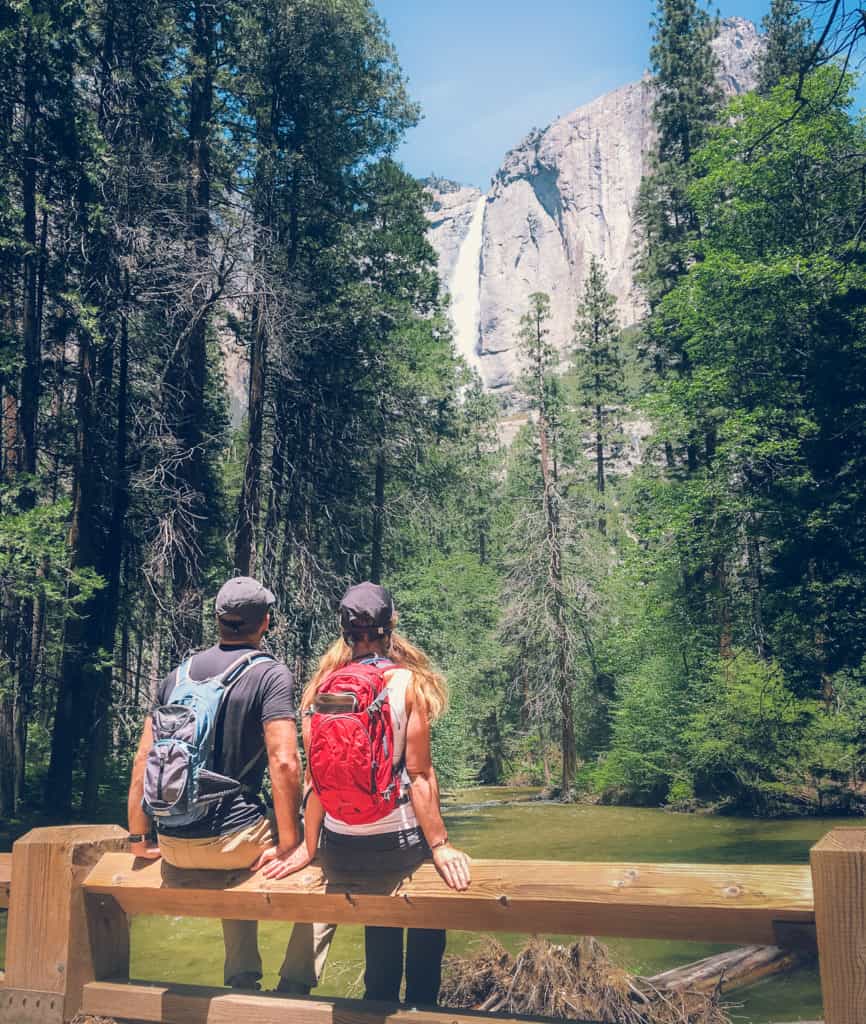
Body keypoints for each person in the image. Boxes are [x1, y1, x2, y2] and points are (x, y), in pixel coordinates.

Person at [126, 575, 329, 993]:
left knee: (236, 850)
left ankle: (241, 977)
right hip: (233, 842)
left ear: (218, 620)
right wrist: (292, 842)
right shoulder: (269, 674)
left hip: (172, 842)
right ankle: (295, 982)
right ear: (265, 622)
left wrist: (138, 838)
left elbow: (144, 759)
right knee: (324, 851)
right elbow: (285, 761)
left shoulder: (177, 675)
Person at [295, 581, 472, 1006]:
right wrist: (441, 845)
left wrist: (309, 845)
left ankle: (378, 1005)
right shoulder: (406, 683)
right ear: (390, 626)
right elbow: (420, 775)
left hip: (340, 848)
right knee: (429, 909)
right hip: (397, 847)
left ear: (345, 631)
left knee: (381, 922)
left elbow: (315, 778)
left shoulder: (322, 686)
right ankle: (424, 1006)